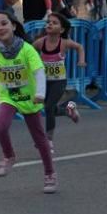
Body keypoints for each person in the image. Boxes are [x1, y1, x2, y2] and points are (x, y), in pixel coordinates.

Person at [0, 11, 57, 193]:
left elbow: (39, 72)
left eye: (4, 23)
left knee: (40, 140)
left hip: (29, 97)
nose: (1, 28)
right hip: (9, 96)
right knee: (0, 126)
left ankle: (50, 173)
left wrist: (40, 93)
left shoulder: (27, 49)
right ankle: (9, 156)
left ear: (14, 26)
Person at [31, 12, 84, 154]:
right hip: (44, 82)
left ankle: (48, 140)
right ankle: (68, 110)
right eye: (48, 22)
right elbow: (29, 51)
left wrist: (81, 60)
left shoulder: (64, 43)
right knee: (50, 109)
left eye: (54, 22)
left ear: (61, 29)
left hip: (59, 81)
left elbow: (79, 47)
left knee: (48, 107)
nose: (49, 24)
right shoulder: (40, 42)